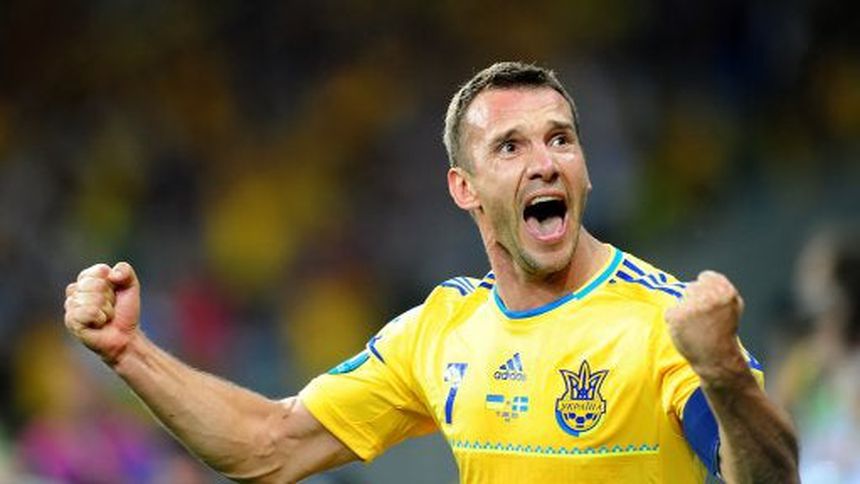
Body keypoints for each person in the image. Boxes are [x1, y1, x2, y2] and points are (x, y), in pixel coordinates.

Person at [63, 62, 798, 483]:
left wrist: (725, 375)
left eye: (560, 139)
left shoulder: (662, 322)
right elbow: (269, 445)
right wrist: (129, 352)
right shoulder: (441, 331)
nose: (544, 161)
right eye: (510, 146)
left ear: (583, 167)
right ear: (464, 188)